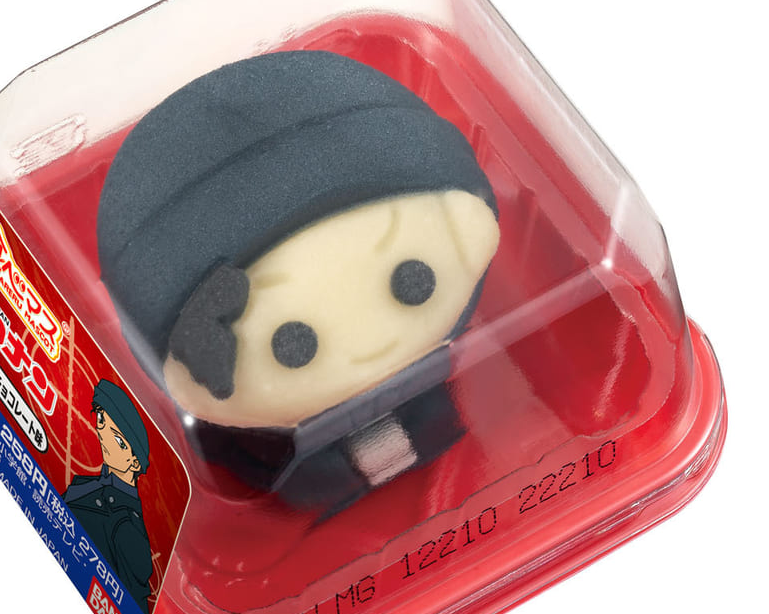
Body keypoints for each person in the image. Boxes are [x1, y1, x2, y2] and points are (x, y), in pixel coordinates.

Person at [97, 50, 500, 512]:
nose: (363, 345)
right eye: (292, 344)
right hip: (290, 477)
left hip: (445, 430)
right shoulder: (242, 430)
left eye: (413, 282)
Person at [64, 379, 154, 614]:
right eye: (101, 421)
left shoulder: (125, 525)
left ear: (135, 462)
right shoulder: (87, 487)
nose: (102, 435)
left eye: (118, 440)